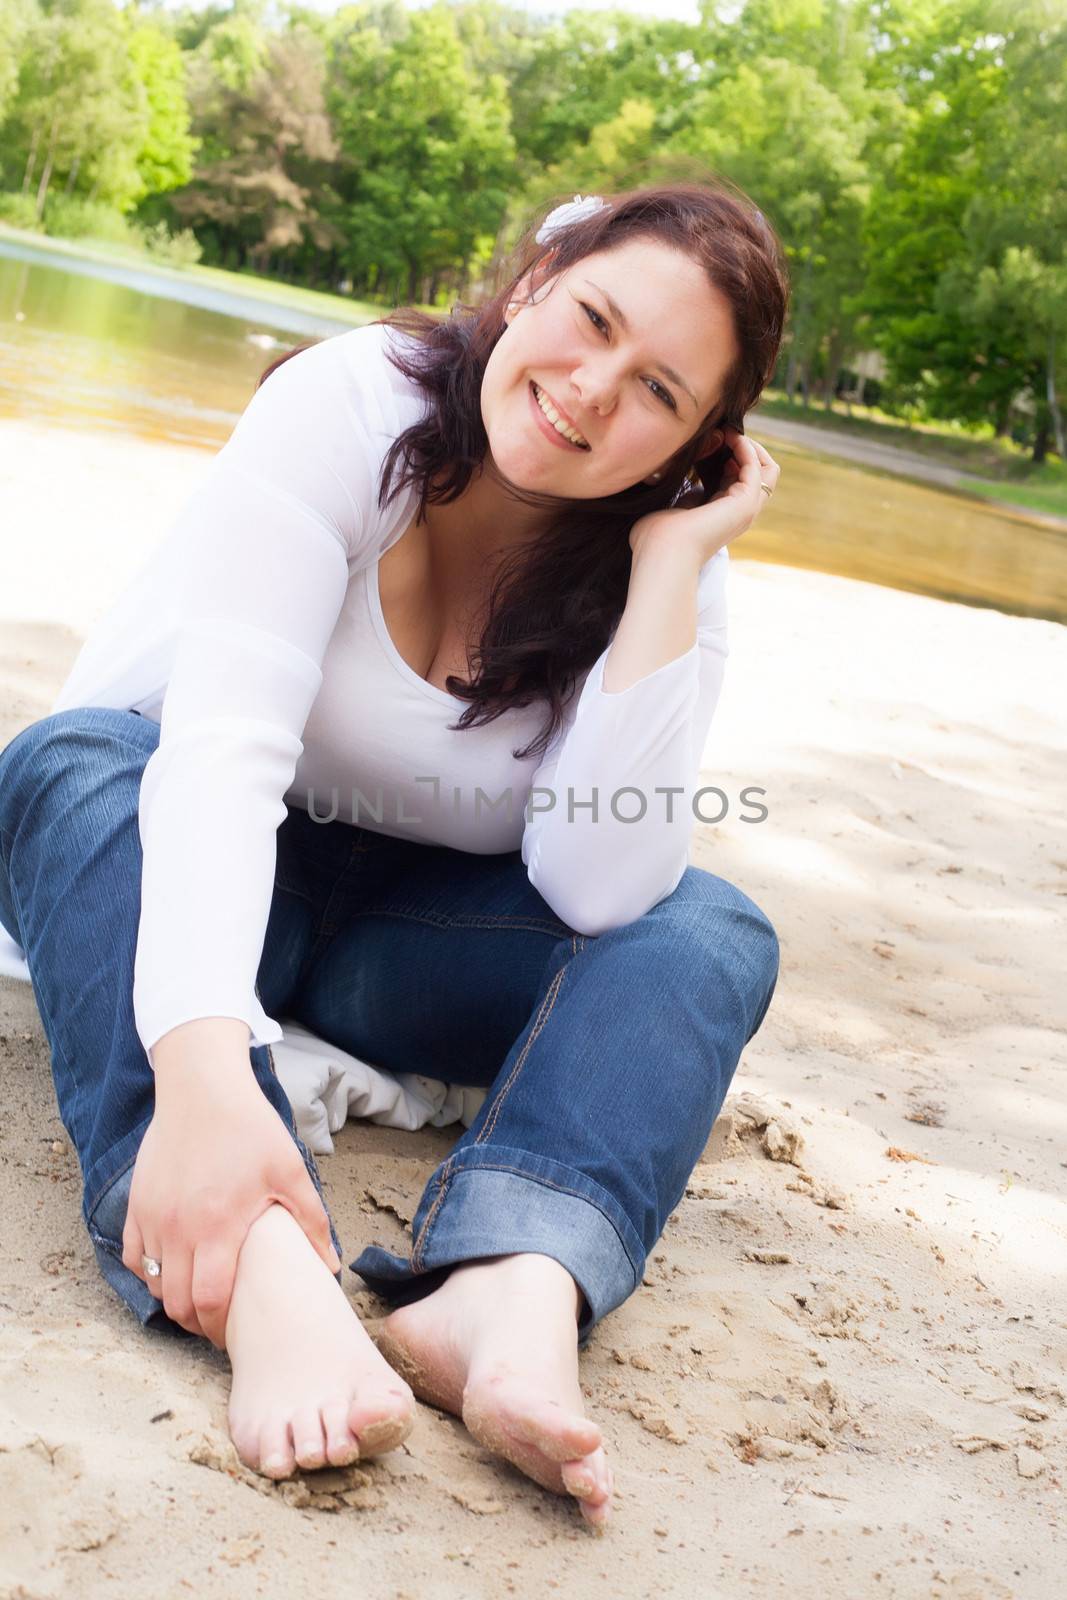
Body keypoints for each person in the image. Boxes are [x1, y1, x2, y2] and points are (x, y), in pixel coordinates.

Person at [0, 180, 787, 1531]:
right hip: (188, 858)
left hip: (409, 945)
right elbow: (224, 745)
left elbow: (601, 888)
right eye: (591, 320)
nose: (593, 391)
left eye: (658, 391)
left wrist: (668, 568)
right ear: (535, 279)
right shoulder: (351, 404)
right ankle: (256, 1255)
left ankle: (509, 1288)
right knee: (68, 761)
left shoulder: (671, 560)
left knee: (710, 930)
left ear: (696, 444)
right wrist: (202, 1079)